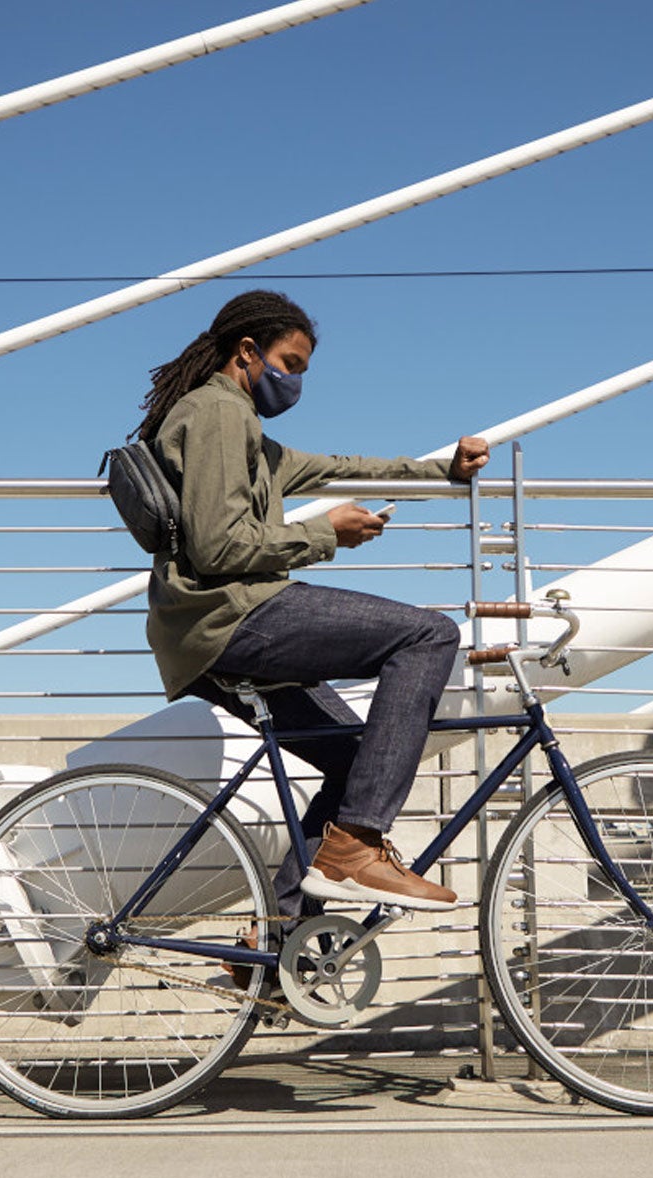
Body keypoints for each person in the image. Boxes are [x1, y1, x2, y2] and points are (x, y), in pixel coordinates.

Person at [136, 289, 488, 917]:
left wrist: (443, 472)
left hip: (208, 626)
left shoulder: (245, 430)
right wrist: (328, 534)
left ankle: (270, 944)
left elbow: (341, 465)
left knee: (353, 763)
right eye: (289, 364)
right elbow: (219, 547)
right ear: (248, 352)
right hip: (234, 617)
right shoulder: (219, 415)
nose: (295, 381)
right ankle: (355, 847)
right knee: (428, 636)